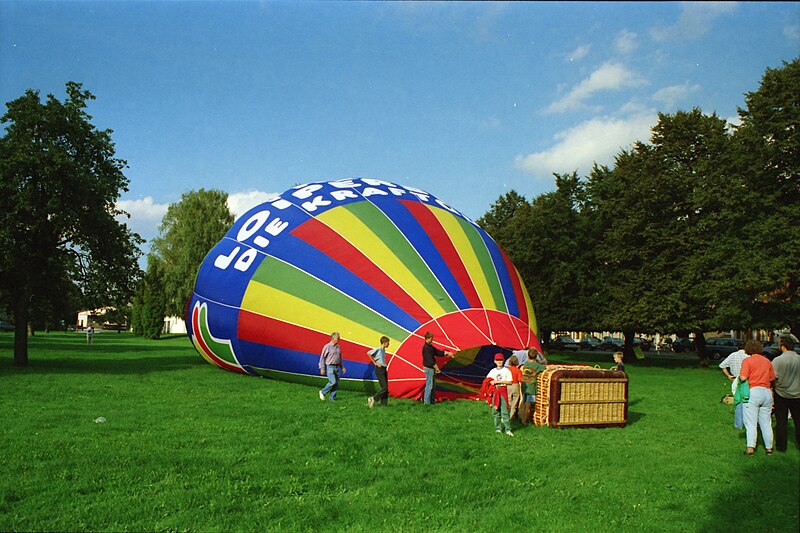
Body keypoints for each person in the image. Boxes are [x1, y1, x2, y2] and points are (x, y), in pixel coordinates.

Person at [739, 340, 775, 456]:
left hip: (753, 391)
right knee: (766, 422)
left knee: (751, 422)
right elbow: (772, 378)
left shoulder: (747, 361)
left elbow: (743, 377)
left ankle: (750, 447)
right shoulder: (767, 361)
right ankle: (769, 448)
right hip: (767, 392)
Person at [772, 336, 800, 452]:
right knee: (798, 422)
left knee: (781, 421)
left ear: (783, 346)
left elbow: (773, 377)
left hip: (781, 394)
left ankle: (781, 447)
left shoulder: (777, 360)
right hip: (798, 394)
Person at [719, 346, 750, 429]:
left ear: (737, 347)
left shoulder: (733, 355)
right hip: (747, 380)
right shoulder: (749, 356)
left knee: (738, 402)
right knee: (748, 402)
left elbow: (722, 365)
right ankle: (749, 423)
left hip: (736, 380)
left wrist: (729, 375)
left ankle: (738, 424)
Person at [421, 332, 453, 405]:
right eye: (431, 339)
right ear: (427, 339)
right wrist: (437, 368)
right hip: (429, 369)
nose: (432, 340)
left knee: (432, 386)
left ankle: (432, 401)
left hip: (431, 369)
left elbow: (438, 352)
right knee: (429, 386)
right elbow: (430, 360)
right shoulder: (426, 348)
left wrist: (448, 353)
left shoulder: (430, 347)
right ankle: (426, 403)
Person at [486, 353, 514, 436]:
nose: (499, 362)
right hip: (495, 391)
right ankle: (498, 428)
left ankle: (508, 429)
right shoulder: (493, 371)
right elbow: (488, 380)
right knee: (495, 411)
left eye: (500, 360)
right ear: (494, 361)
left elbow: (510, 382)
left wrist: (500, 382)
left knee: (505, 411)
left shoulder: (506, 371)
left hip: (503, 391)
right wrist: (491, 382)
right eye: (497, 360)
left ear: (503, 360)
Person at [519, 353, 547, 425]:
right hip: (531, 387)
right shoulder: (537, 365)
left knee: (524, 403)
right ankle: (524, 421)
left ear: (528, 356)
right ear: (536, 357)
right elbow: (545, 367)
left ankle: (522, 419)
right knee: (528, 405)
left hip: (524, 386)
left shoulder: (525, 364)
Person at [319, 332, 346, 401]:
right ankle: (322, 392)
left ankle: (332, 398)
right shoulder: (327, 347)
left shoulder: (338, 347)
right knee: (332, 382)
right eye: (338, 338)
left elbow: (339, 358)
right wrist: (322, 368)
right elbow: (322, 358)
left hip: (337, 366)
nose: (339, 339)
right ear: (333, 338)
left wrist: (342, 367)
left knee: (336, 384)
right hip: (330, 366)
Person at [367, 336, 390, 408]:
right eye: (388, 343)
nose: (388, 344)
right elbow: (368, 353)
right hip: (379, 369)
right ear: (384, 343)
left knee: (386, 388)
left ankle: (384, 404)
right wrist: (375, 362)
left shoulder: (383, 350)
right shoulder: (379, 349)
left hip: (383, 368)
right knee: (385, 387)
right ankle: (373, 398)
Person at [506, 355, 522, 420]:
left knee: (508, 401)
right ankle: (511, 416)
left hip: (508, 386)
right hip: (515, 386)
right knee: (514, 403)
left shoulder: (507, 370)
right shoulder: (518, 370)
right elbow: (519, 379)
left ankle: (506, 415)